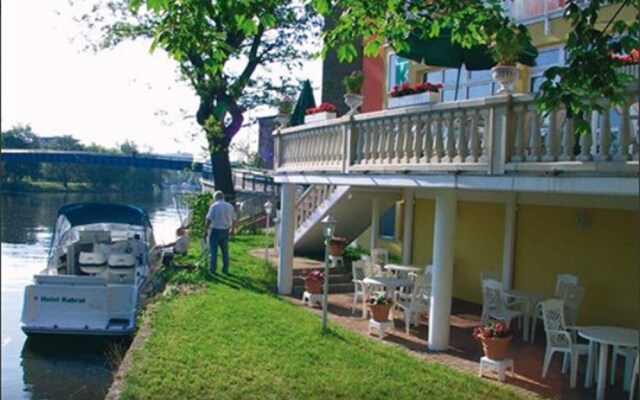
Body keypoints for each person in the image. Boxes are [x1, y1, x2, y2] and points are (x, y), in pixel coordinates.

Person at [204, 191, 237, 274]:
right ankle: (225, 269)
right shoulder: (230, 206)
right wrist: (232, 230)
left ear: (215, 198)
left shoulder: (214, 206)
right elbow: (234, 219)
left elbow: (209, 219)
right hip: (226, 230)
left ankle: (212, 269)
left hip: (215, 230)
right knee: (225, 251)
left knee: (213, 251)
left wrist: (205, 230)